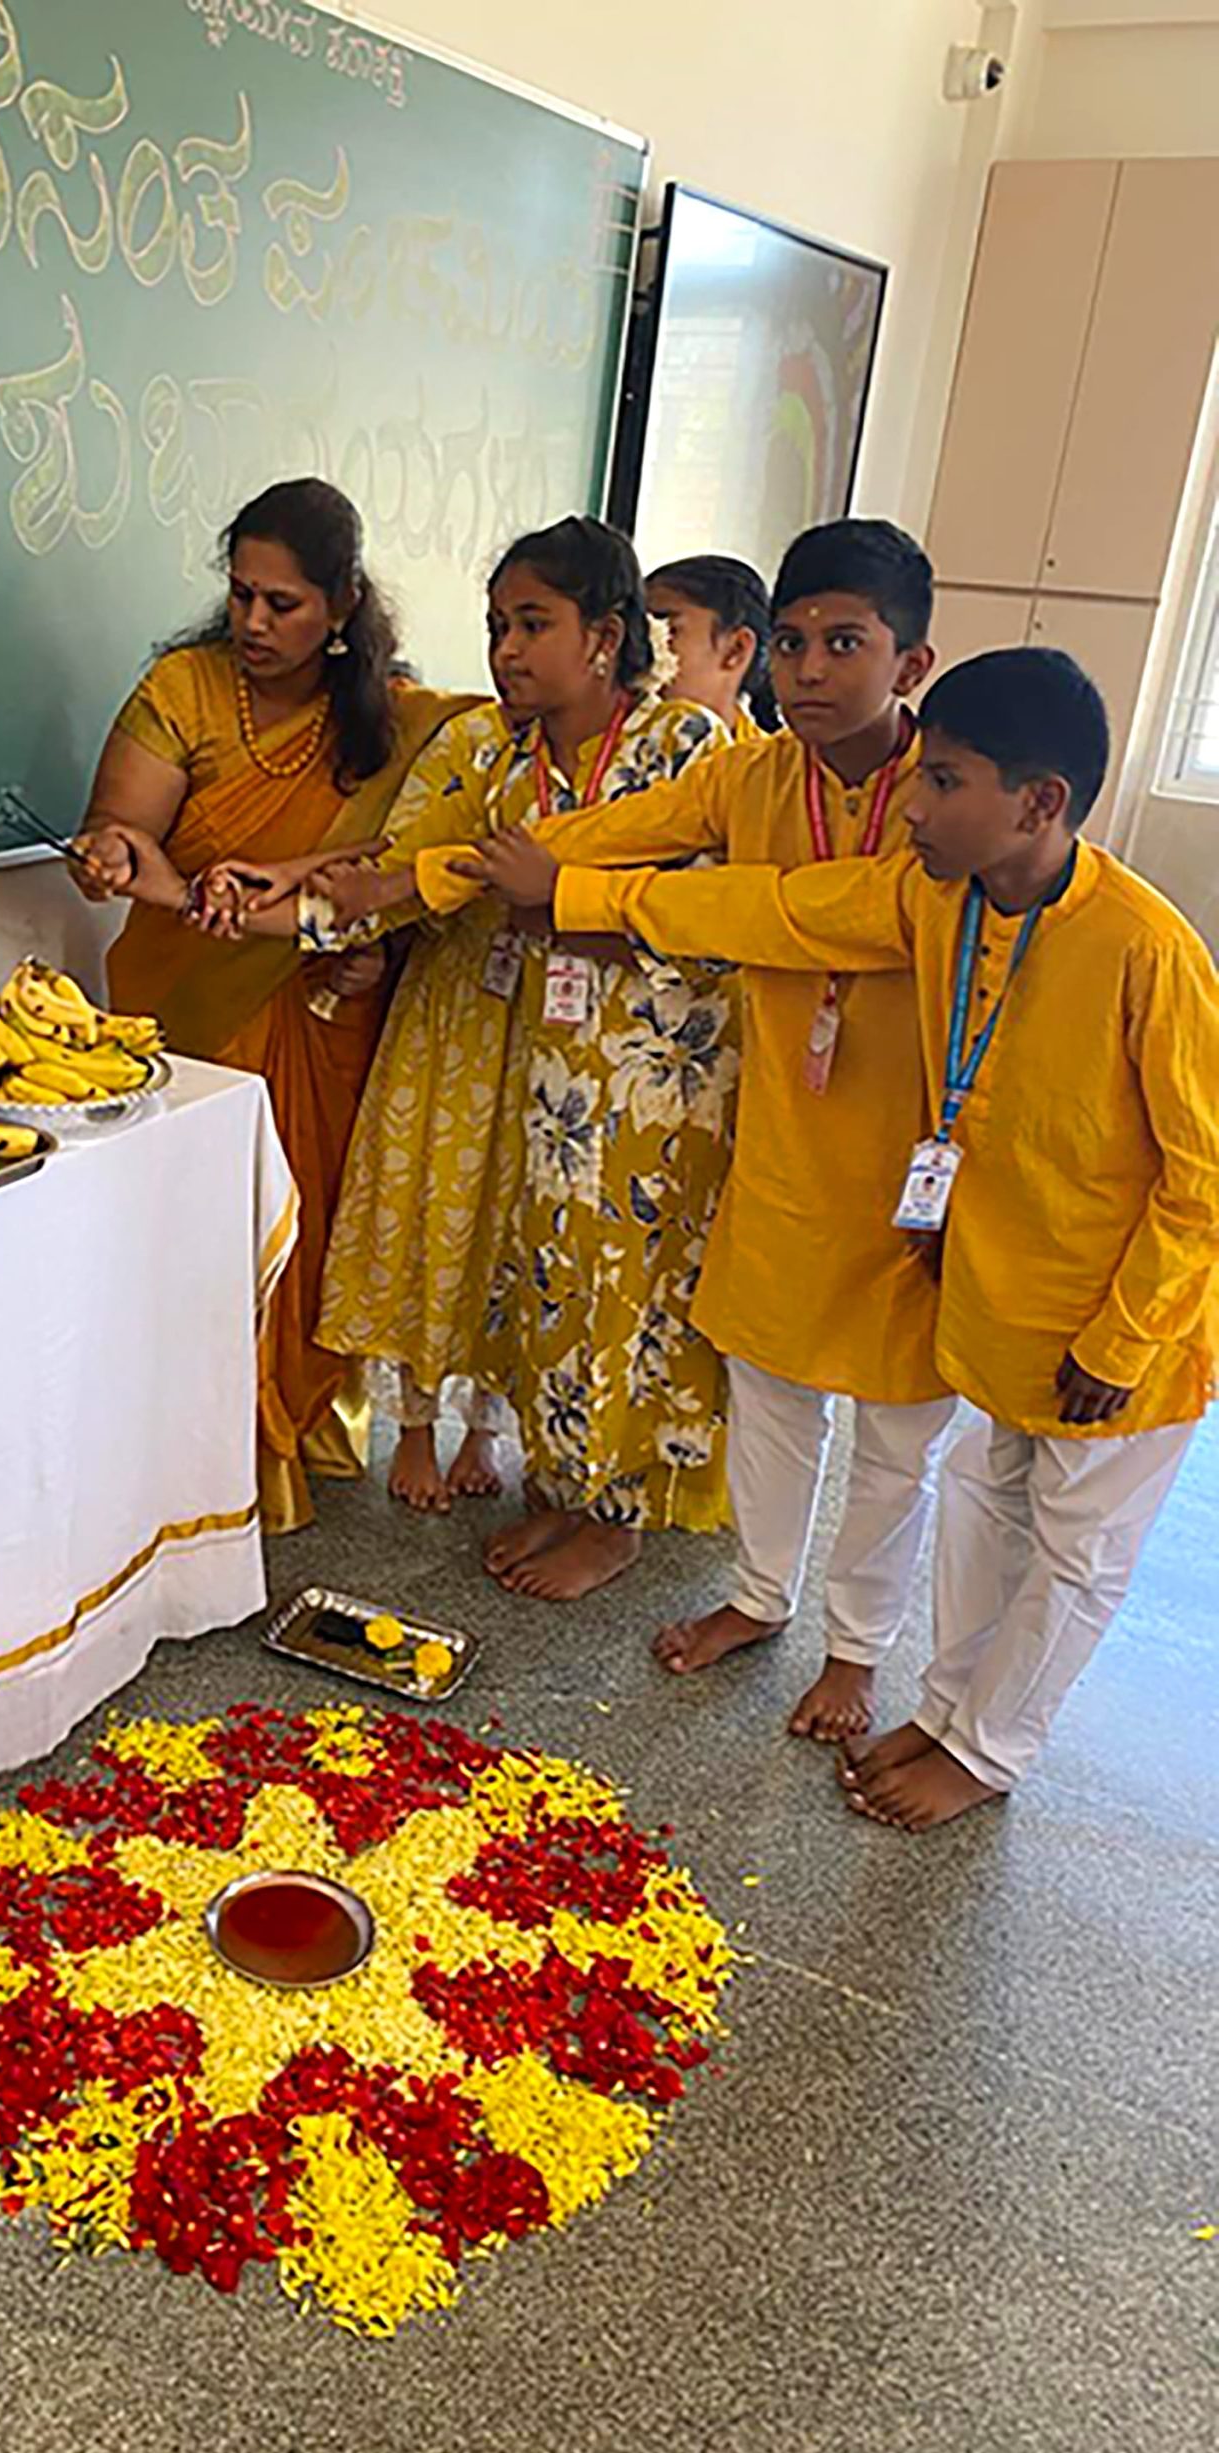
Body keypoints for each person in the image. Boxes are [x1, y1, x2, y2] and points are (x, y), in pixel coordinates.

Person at [528, 646, 1219, 1827]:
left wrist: (1122, 1338)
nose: (912, 807)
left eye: (944, 782)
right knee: (984, 1514)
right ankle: (947, 1713)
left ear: (1039, 802)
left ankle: (987, 1750)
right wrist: (578, 895)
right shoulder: (938, 898)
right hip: (995, 1300)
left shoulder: (1147, 950)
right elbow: (776, 909)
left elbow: (1205, 1180)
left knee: (1074, 1555)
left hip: (1121, 1338)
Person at [453, 520, 956, 1733]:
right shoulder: (754, 776)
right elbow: (607, 832)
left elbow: (810, 914)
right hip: (780, 1127)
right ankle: (761, 1596)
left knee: (893, 1429)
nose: (811, 670)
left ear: (912, 663)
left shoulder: (948, 792)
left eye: (846, 643)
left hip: (914, 1152)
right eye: (792, 643)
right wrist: (453, 872)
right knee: (772, 1391)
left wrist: (584, 896)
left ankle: (856, 1649)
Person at [257, 518, 736, 1590]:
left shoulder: (686, 749)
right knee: (554, 1279)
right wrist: (273, 902)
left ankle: (619, 1520)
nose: (506, 650)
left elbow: (711, 910)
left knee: (633, 1288)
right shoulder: (504, 758)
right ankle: (564, 1491)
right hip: (540, 1066)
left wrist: (561, 907)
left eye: (532, 625)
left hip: (655, 1072)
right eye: (495, 627)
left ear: (604, 637)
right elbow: (416, 873)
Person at [71, 478, 476, 1533]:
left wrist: (301, 882)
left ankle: (280, 1441)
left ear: (343, 604)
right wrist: (116, 855)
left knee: (298, 1234)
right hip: (186, 1008)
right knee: (193, 1243)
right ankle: (184, 1462)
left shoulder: (402, 721)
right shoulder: (185, 688)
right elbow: (122, 830)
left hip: (320, 1009)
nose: (253, 621)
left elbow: (429, 845)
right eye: (241, 594)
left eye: (282, 603)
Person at [647, 556, 778, 736]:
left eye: (665, 629)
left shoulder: (771, 755)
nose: (639, 648)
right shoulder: (615, 741)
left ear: (736, 650)